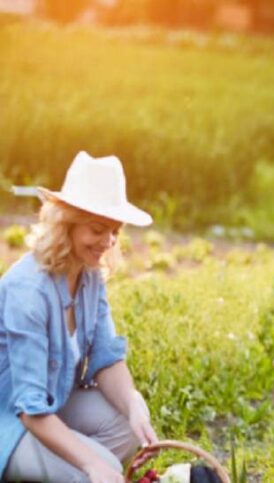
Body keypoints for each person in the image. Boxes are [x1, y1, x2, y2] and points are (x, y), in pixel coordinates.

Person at [0, 151, 159, 482]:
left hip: (54, 403)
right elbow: (30, 409)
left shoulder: (88, 276)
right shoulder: (27, 291)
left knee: (128, 425)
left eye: (115, 231)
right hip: (11, 419)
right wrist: (91, 463)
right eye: (98, 229)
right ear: (65, 224)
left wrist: (132, 403)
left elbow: (106, 358)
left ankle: (62, 467)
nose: (109, 242)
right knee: (103, 466)